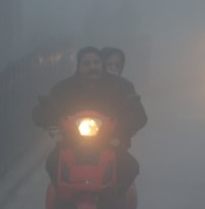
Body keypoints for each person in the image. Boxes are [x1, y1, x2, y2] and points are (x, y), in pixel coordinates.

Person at [33, 46, 147, 194]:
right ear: (78, 67)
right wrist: (52, 122)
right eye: (86, 64)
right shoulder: (64, 88)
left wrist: (121, 130)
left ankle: (113, 205)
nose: (92, 67)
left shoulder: (121, 86)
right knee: (53, 163)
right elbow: (43, 111)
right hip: (71, 143)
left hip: (110, 142)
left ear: (101, 65)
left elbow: (139, 115)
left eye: (96, 62)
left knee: (129, 166)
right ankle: (63, 204)